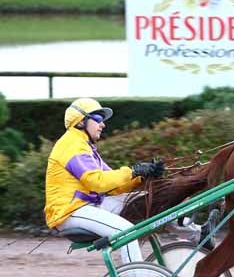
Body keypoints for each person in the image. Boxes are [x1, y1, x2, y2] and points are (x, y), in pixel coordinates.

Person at [44, 98, 164, 264]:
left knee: (150, 201)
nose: (103, 124)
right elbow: (97, 182)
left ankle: (196, 232)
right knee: (127, 231)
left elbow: (112, 186)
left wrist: (141, 176)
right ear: (80, 122)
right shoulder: (71, 145)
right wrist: (133, 171)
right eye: (98, 119)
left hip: (89, 206)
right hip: (71, 213)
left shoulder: (85, 146)